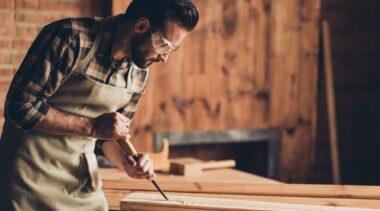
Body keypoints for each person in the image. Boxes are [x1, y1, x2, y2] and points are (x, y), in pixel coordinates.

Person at [0, 0, 199, 210]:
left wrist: (128, 164)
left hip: (80, 187)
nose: (165, 57)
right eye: (164, 45)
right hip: (27, 181)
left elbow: (109, 138)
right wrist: (92, 127)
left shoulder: (139, 73)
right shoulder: (70, 37)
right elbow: (20, 106)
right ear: (141, 26)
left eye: (172, 49)